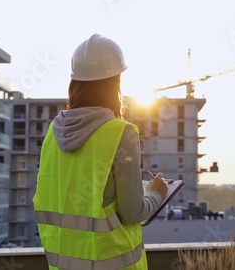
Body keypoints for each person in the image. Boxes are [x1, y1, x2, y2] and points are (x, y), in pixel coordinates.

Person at [33, 34, 168, 270]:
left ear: (74, 82)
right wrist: (156, 193)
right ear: (115, 83)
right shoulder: (120, 133)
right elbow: (134, 212)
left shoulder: (52, 134)